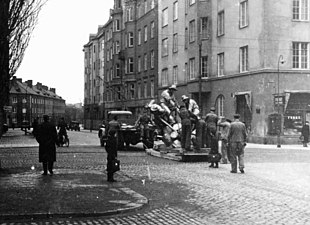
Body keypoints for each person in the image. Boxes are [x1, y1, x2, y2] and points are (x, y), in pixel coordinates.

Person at [105, 115, 121, 182]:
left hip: (109, 154)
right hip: (112, 154)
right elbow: (119, 129)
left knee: (109, 165)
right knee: (112, 165)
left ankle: (109, 177)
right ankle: (111, 178)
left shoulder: (110, 123)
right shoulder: (117, 123)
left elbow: (106, 129)